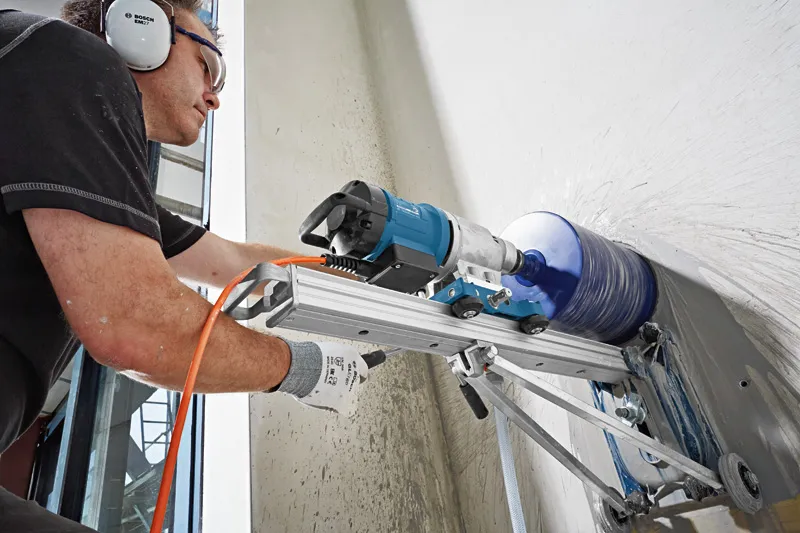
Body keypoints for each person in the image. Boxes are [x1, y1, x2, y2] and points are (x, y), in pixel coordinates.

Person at [0, 0, 368, 529]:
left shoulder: (75, 174)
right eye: (209, 66)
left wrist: (375, 284)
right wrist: (308, 369)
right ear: (138, 25)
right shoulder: (71, 56)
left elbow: (237, 263)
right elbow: (133, 322)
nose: (215, 96)